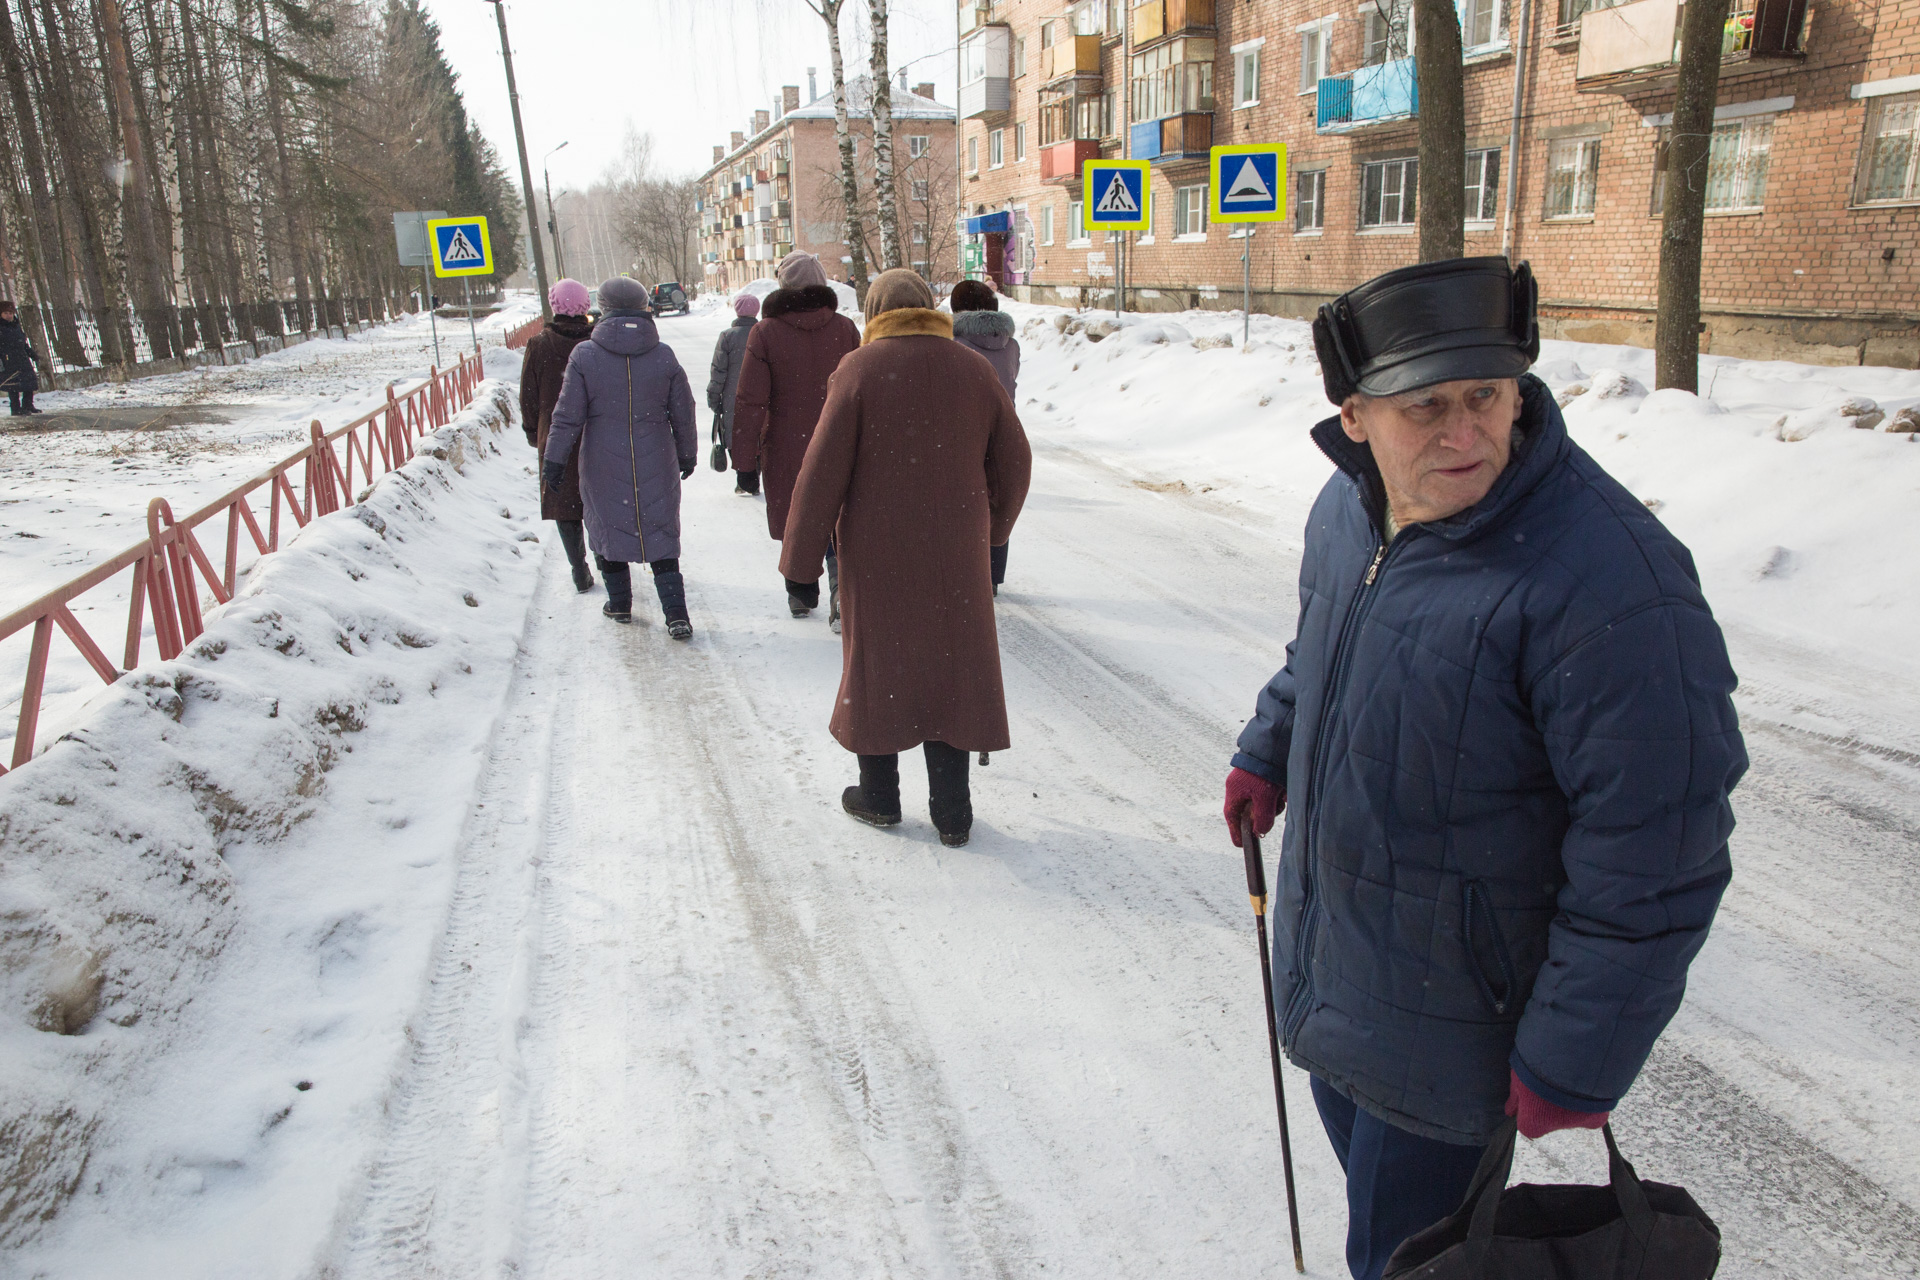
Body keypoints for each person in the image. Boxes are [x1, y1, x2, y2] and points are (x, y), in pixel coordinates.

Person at [1223, 257, 1746, 1280]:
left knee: (1408, 1258)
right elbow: (1325, 648)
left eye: (1486, 398)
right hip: (1350, 981)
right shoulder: (1351, 511)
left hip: (1466, 1039)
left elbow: (1659, 845)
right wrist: (1268, 746)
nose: (1465, 435)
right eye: (1426, 407)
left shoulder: (1609, 582)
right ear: (1358, 414)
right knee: (1395, 1238)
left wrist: (1576, 1058)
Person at [779, 269, 1032, 848]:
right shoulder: (972, 368)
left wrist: (800, 558)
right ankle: (953, 812)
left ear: (873, 311)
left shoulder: (859, 371)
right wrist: (993, 529)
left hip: (877, 549)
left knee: (879, 667)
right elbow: (1016, 460)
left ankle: (881, 799)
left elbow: (820, 473)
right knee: (952, 668)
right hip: (956, 554)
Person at [543, 276, 699, 638]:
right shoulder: (663, 355)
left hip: (601, 460)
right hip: (657, 457)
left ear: (605, 309)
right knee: (660, 530)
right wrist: (686, 454)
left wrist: (554, 459)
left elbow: (567, 414)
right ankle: (676, 613)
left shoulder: (584, 356)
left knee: (606, 527)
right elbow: (683, 411)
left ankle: (620, 604)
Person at [729, 251, 859, 623]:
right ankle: (840, 589)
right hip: (839, 440)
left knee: (795, 516)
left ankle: (800, 593)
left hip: (787, 443)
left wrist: (744, 461)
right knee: (838, 514)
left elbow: (750, 400)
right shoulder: (844, 329)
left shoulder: (765, 332)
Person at [519, 279, 597, 592]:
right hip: (596, 432)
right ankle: (607, 562)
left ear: (555, 305)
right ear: (585, 307)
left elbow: (528, 394)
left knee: (564, 503)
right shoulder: (597, 341)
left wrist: (531, 430)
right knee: (599, 499)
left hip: (554, 437)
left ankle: (579, 570)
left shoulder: (539, 345)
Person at [948, 279, 1020, 594]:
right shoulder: (1010, 344)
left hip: (963, 433)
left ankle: (966, 573)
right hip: (1005, 432)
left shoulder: (953, 344)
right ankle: (991, 576)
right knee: (996, 501)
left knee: (962, 506)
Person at [706, 292, 759, 494]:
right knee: (757, 435)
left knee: (736, 436)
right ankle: (754, 475)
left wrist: (714, 396)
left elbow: (718, 370)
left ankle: (744, 478)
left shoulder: (727, 337)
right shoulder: (763, 332)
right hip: (761, 393)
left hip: (732, 397)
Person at [0, 300, 42, 416]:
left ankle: (28, 405)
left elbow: (22, 342)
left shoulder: (15, 325)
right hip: (8, 360)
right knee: (13, 385)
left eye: (10, 313)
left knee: (29, 381)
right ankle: (15, 408)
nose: (8, 315)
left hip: (22, 358)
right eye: (5, 313)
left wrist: (31, 354)